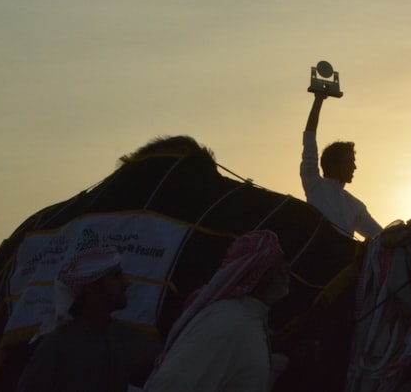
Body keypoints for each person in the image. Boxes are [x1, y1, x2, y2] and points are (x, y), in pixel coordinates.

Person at [144, 230, 291, 392]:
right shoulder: (227, 321)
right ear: (266, 276)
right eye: (283, 263)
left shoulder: (249, 318)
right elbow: (174, 385)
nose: (288, 271)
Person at [17, 246, 160, 392]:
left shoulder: (129, 340)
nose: (126, 282)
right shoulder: (56, 347)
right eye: (116, 277)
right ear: (92, 287)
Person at [300, 91, 382, 239]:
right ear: (333, 165)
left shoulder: (356, 206)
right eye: (349, 162)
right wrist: (318, 100)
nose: (354, 167)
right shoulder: (314, 184)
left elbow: (381, 236)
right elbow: (309, 139)